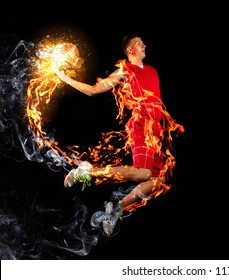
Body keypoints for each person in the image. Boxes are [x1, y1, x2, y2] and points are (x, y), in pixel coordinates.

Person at [52, 34, 184, 236]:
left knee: (160, 179)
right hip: (141, 125)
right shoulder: (124, 69)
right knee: (145, 174)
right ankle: (88, 172)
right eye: (139, 43)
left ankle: (117, 208)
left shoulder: (152, 71)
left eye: (143, 42)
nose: (144, 45)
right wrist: (64, 78)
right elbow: (93, 90)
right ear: (130, 50)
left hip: (156, 129)